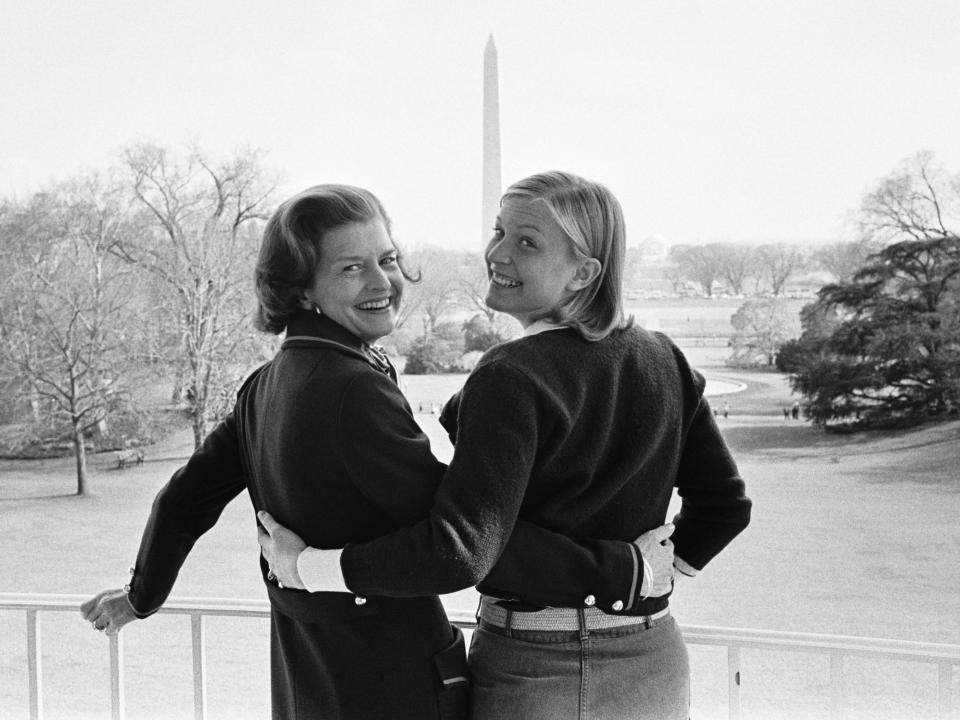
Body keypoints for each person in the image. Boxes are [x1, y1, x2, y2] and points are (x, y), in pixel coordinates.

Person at [80, 184, 648, 720]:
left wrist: (140, 595)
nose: (384, 281)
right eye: (352, 267)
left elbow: (183, 500)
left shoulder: (267, 383)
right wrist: (622, 572)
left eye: (388, 258)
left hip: (309, 685)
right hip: (390, 687)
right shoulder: (350, 390)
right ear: (301, 287)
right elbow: (461, 542)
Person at [260, 171, 752, 720]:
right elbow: (726, 508)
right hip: (653, 656)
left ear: (583, 272)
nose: (497, 252)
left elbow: (460, 549)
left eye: (527, 242)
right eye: (499, 231)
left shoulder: (510, 376)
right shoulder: (665, 358)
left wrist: (310, 568)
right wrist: (650, 581)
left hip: (537, 665)